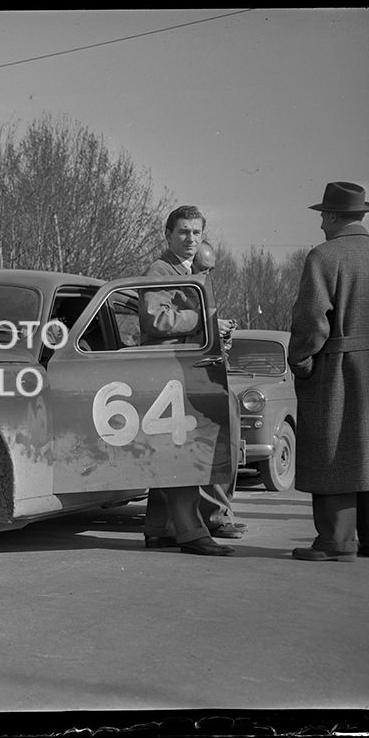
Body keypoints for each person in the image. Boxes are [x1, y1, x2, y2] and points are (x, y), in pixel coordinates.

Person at [139, 205, 241, 556]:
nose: (191, 239)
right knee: (183, 452)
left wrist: (217, 332)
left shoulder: (190, 272)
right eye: (183, 231)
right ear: (168, 235)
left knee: (173, 449)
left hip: (185, 371)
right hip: (170, 373)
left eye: (196, 232)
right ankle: (190, 532)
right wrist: (205, 322)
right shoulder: (160, 270)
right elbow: (157, 320)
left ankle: (159, 529)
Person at [288, 182, 369, 562]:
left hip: (337, 367)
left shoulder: (324, 256)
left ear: (330, 216)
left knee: (334, 449)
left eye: (322, 217)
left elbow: (312, 320)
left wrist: (301, 362)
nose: (321, 224)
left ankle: (337, 541)